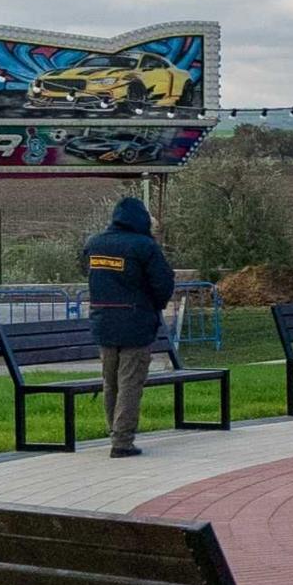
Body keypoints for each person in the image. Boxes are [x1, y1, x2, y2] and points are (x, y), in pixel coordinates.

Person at [81, 194, 175, 459]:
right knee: (130, 382)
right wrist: (152, 305)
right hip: (135, 323)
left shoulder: (94, 243)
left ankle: (115, 432)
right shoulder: (145, 246)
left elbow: (87, 274)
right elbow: (163, 284)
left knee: (110, 382)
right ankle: (122, 441)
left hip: (103, 322)